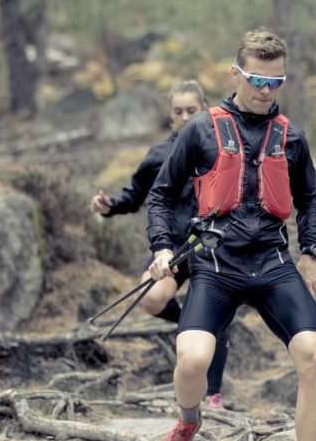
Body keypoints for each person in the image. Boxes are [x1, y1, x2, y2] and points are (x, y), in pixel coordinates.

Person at [146, 29, 316, 441]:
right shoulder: (201, 129)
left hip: (272, 263)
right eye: (257, 80)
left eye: (276, 82)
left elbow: (310, 198)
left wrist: (310, 252)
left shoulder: (291, 138)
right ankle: (188, 422)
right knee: (193, 360)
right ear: (236, 74)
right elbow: (162, 195)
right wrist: (162, 248)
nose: (265, 90)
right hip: (215, 264)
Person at [90, 81, 231, 410]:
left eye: (191, 110)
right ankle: (197, 328)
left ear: (205, 110)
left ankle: (213, 395)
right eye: (178, 111)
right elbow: (136, 196)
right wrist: (110, 206)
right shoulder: (158, 155)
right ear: (170, 116)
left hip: (213, 249)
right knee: (152, 298)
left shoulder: (224, 151)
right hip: (173, 248)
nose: (185, 117)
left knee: (216, 314)